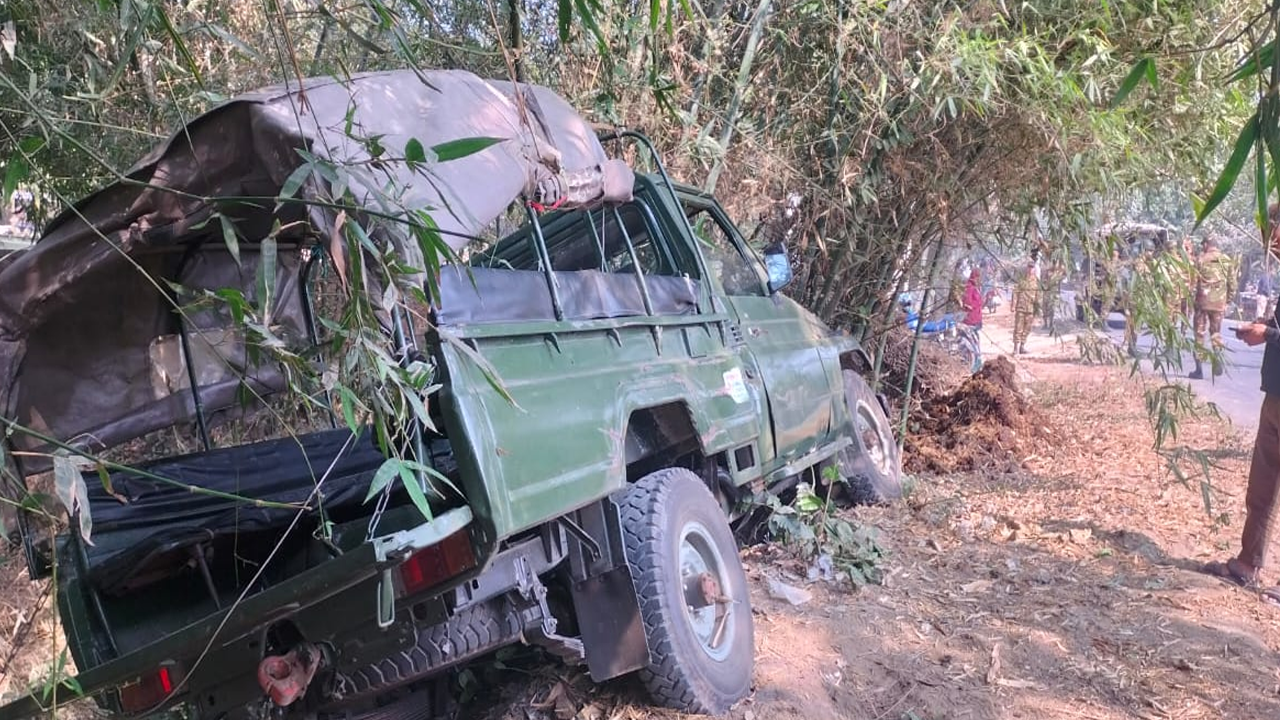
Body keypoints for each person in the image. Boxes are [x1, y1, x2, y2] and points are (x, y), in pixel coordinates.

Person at [1189, 235, 1234, 379]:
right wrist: (1227, 301)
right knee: (1216, 333)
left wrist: (1191, 301)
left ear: (1207, 244)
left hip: (1202, 302)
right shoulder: (1226, 260)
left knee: (1199, 334)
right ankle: (1217, 359)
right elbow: (1232, 284)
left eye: (1203, 244)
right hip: (1219, 303)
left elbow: (1193, 282)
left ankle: (1199, 370)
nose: (1202, 246)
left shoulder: (1200, 259)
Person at [1012, 262, 1037, 354]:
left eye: (1032, 267)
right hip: (1021, 307)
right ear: (1027, 268)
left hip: (1031, 308)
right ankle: (1015, 348)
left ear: (1034, 269)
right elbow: (1015, 293)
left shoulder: (1036, 282)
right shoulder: (1021, 280)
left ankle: (1022, 346)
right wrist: (1013, 305)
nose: (1030, 269)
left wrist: (1038, 309)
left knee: (1027, 328)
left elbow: (1039, 296)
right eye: (1029, 267)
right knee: (1018, 328)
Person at [962, 268, 984, 361]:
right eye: (978, 277)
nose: (979, 279)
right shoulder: (969, 287)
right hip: (970, 319)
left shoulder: (976, 287)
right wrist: (977, 304)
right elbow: (967, 303)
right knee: (972, 340)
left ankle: (977, 357)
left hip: (977, 319)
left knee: (976, 338)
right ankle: (974, 358)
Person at [1040, 255, 1065, 334]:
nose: (1054, 264)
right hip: (1047, 292)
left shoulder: (1058, 273)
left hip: (1053, 293)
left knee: (1052, 309)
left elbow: (1064, 275)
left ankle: (1050, 323)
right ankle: (1045, 324)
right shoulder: (1047, 271)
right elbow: (1043, 281)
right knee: (1045, 308)